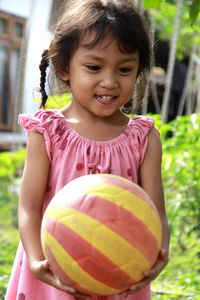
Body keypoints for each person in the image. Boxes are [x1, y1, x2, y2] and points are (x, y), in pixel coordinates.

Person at [5, 0, 170, 299]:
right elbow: (29, 207)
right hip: (54, 272)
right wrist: (35, 260)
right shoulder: (47, 132)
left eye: (124, 69)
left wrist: (161, 251)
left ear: (138, 71)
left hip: (122, 273)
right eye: (93, 67)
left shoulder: (144, 138)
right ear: (65, 67)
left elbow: (156, 212)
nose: (109, 81)